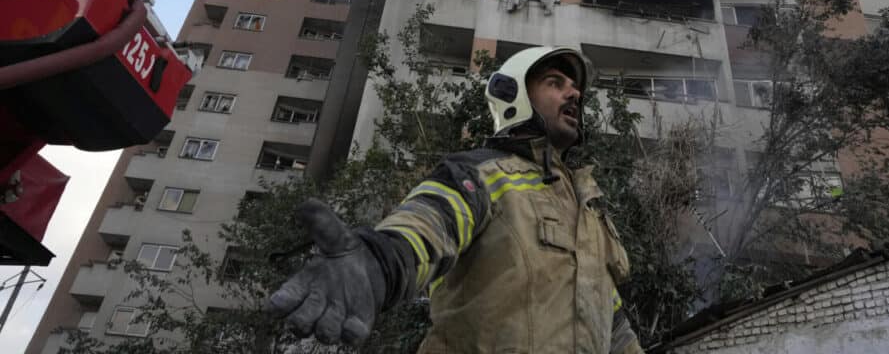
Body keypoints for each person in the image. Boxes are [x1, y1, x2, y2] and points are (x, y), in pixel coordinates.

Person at [267, 46, 643, 353]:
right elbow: (429, 224)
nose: (574, 93)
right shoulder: (482, 173)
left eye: (575, 87)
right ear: (515, 96)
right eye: (555, 83)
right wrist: (377, 262)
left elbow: (613, 323)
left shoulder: (589, 210)